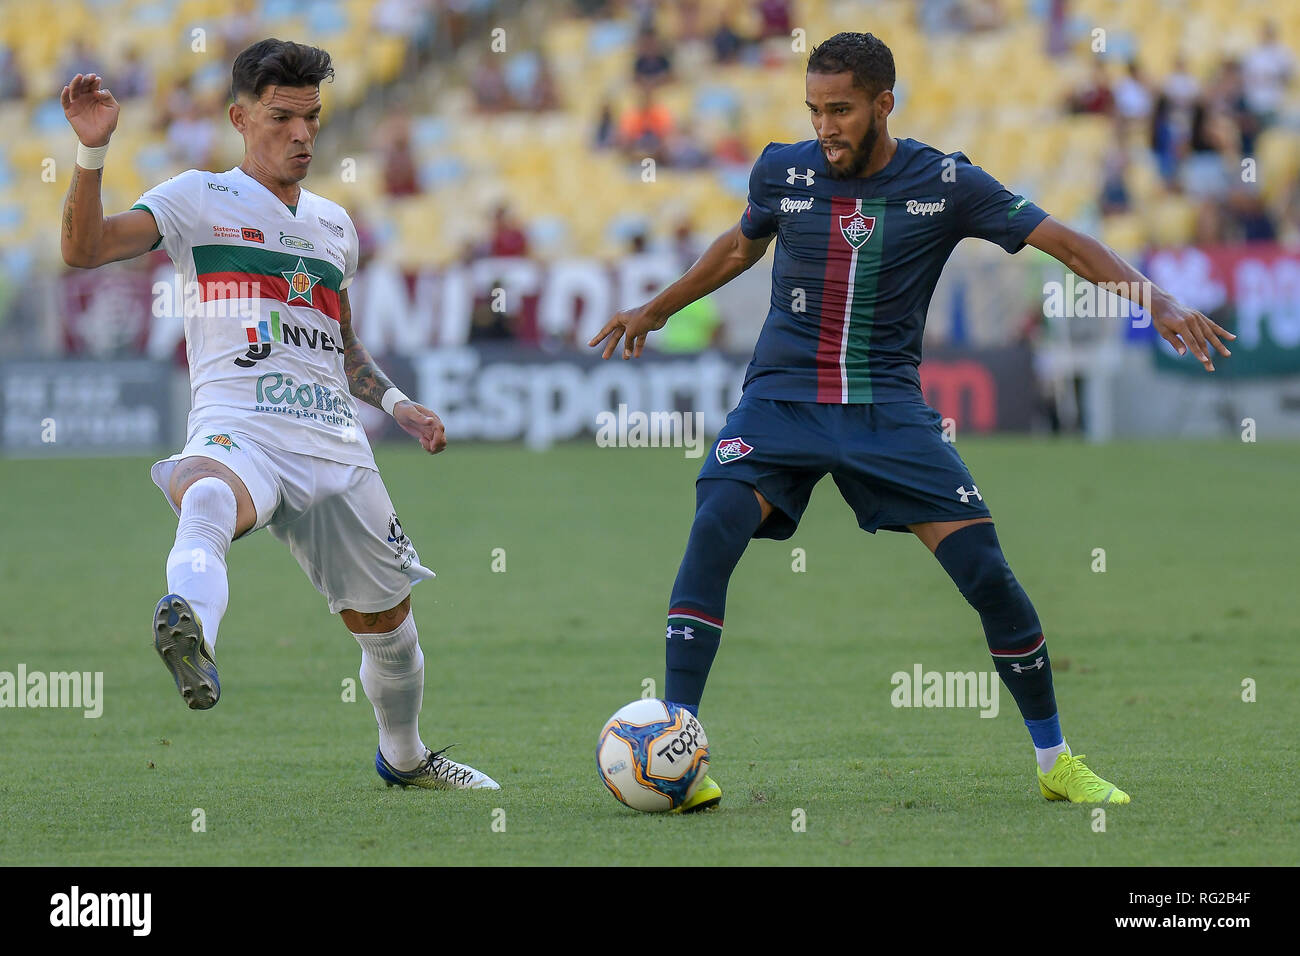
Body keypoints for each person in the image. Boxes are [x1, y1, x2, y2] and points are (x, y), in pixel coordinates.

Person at [589, 32, 1233, 812]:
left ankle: (1056, 760)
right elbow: (738, 247)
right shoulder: (781, 169)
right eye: (814, 109)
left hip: (886, 410)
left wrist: (1153, 296)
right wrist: (655, 309)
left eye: (841, 110)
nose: (824, 126)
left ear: (882, 104)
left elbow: (1059, 237)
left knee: (988, 577)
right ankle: (678, 745)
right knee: (714, 526)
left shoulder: (947, 180)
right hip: (782, 398)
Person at [59, 39, 498, 792]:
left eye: (312, 119)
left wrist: (397, 403)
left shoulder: (333, 226)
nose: (301, 135)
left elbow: (343, 344)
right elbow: (85, 248)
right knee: (205, 491)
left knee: (390, 634)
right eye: (281, 118)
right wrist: (91, 153)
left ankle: (404, 758)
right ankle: (192, 627)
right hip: (242, 422)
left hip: (333, 439)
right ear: (240, 117)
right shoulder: (197, 197)